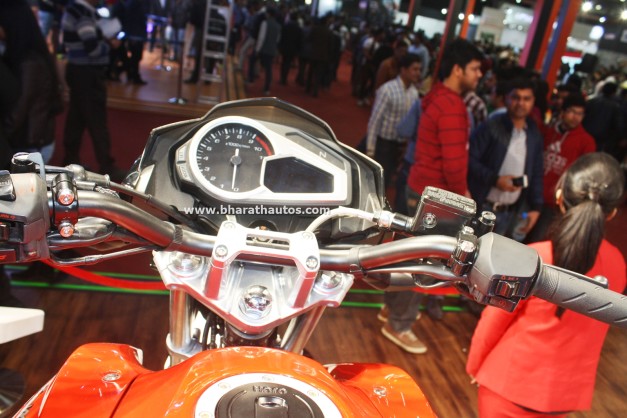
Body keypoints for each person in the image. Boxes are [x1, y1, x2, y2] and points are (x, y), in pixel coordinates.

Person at [466, 152, 626, 417]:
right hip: (562, 396)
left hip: (507, 384)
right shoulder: (617, 263)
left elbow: (493, 321)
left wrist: (475, 366)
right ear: (612, 213)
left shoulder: (536, 257)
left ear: (560, 197)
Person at [380, 39, 483, 355]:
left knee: (408, 252)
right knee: (426, 262)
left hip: (420, 187)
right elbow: (454, 164)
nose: (479, 75)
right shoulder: (451, 105)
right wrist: (464, 197)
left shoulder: (435, 96)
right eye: (475, 69)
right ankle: (399, 324)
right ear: (458, 70)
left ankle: (390, 309)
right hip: (438, 196)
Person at [468, 77, 544, 239]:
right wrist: (495, 180)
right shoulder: (491, 126)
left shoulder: (533, 134)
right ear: (506, 99)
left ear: (533, 101)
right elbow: (470, 160)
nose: (521, 103)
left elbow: (537, 172)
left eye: (526, 99)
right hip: (482, 206)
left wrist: (536, 207)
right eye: (516, 97)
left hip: (509, 212)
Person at [61, 0, 124, 179]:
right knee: (96, 120)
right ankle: (106, 165)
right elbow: (93, 49)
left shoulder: (81, 10)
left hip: (80, 71)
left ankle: (70, 161)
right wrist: (109, 44)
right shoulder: (82, 13)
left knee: (77, 118)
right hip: (86, 73)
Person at [525, 93, 596, 243]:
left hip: (553, 203)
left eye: (580, 114)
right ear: (562, 112)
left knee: (537, 240)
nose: (575, 117)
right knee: (519, 232)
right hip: (531, 192)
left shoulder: (586, 142)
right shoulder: (548, 131)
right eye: (572, 112)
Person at [365, 53, 421, 188]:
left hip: (400, 147)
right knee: (377, 185)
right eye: (414, 69)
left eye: (419, 69)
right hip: (384, 145)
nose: (418, 73)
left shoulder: (414, 93)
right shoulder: (388, 90)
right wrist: (370, 151)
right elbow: (374, 122)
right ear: (403, 70)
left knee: (387, 181)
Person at [255, 7, 280, 95]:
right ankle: (267, 88)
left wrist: (257, 49)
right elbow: (277, 39)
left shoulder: (265, 23)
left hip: (264, 49)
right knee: (269, 70)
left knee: (254, 61)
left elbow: (261, 38)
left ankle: (251, 78)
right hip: (272, 50)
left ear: (268, 14)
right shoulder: (278, 26)